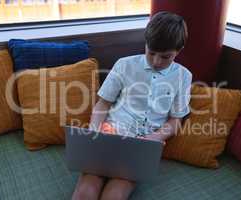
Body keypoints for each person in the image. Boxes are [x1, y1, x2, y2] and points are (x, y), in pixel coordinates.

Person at [72, 11, 193, 200]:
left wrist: (152, 139)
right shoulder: (124, 65)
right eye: (151, 53)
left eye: (165, 57)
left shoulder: (184, 76)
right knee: (85, 193)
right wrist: (94, 134)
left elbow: (176, 121)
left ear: (180, 50)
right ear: (145, 43)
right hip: (108, 135)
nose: (156, 61)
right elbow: (102, 103)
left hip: (140, 147)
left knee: (114, 196)